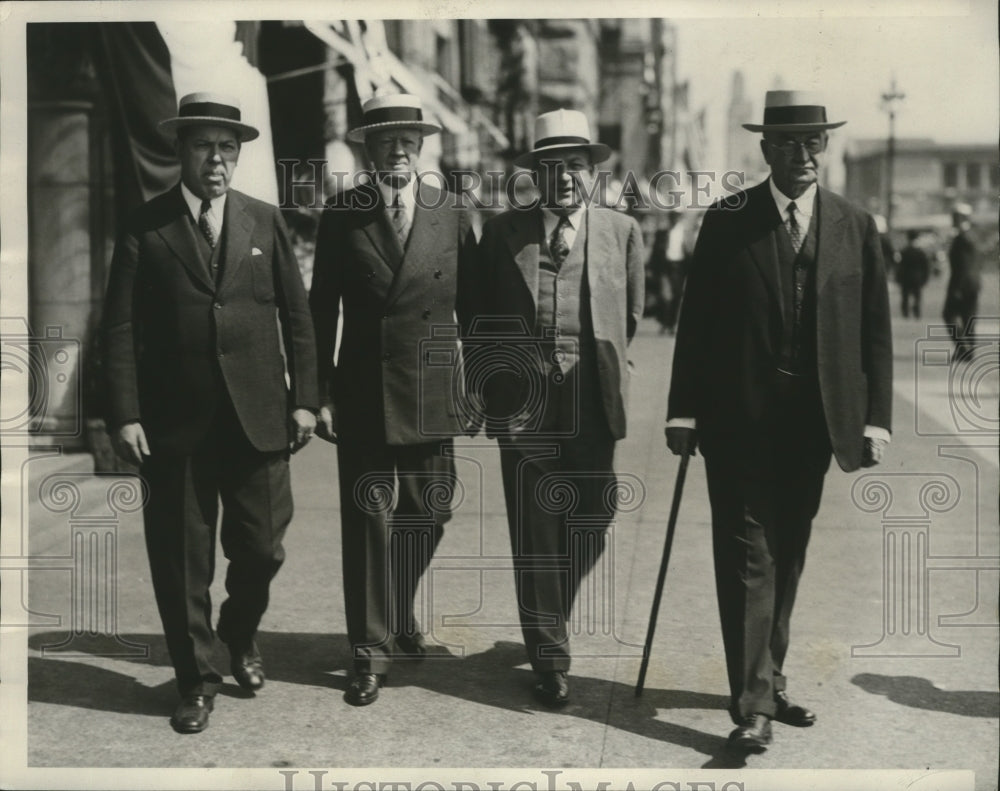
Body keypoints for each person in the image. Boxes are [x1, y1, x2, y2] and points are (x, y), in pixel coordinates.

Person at [665, 91, 892, 751]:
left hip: (815, 425)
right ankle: (753, 704)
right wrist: (683, 409)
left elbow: (874, 331)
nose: (802, 155)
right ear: (765, 150)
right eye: (788, 143)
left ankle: (771, 675)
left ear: (828, 147)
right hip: (738, 420)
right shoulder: (727, 220)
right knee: (748, 558)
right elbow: (696, 325)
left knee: (787, 554)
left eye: (814, 142)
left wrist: (875, 420)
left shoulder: (856, 225)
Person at [103, 92, 318, 733]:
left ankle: (237, 631)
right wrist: (125, 412)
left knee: (262, 549)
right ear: (181, 152)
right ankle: (196, 680)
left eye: (227, 147)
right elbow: (118, 327)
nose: (216, 160)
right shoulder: (147, 226)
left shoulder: (263, 220)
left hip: (258, 420)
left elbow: (298, 316)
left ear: (238, 154)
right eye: (203, 146)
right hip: (174, 426)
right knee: (182, 560)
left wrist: (306, 399)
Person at [309, 94, 478, 706]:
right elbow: (319, 309)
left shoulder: (450, 211)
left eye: (409, 139)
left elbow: (478, 307)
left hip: (433, 387)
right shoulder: (343, 213)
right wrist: (317, 392)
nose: (398, 151)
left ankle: (397, 603)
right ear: (367, 149)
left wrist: (481, 380)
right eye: (385, 141)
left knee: (431, 511)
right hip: (364, 390)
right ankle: (369, 651)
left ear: (423, 146)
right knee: (369, 522)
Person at [474, 109, 644, 706]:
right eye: (553, 167)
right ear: (536, 175)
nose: (565, 177)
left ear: (592, 171)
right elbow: (477, 320)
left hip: (592, 401)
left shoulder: (622, 231)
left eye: (575, 165)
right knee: (535, 531)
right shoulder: (500, 235)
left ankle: (550, 612)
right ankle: (549, 653)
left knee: (592, 521)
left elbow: (630, 318)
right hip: (523, 405)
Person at [943, 203, 981, 361]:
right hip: (973, 284)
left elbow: (963, 266)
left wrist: (957, 288)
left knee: (948, 314)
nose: (953, 220)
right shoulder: (972, 236)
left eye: (955, 217)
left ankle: (963, 346)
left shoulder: (962, 239)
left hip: (961, 284)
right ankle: (968, 351)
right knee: (968, 317)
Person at [897, 229, 931, 318]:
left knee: (905, 296)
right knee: (917, 296)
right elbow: (926, 267)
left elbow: (900, 266)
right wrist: (925, 278)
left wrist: (898, 278)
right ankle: (917, 311)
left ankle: (906, 313)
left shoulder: (904, 251)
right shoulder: (921, 252)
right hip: (917, 277)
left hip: (906, 277)